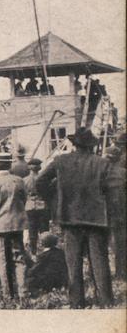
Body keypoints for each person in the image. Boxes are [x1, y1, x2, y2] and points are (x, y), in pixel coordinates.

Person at [36, 127, 112, 308]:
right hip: (96, 219)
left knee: (73, 263)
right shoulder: (102, 163)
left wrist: (54, 200)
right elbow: (110, 189)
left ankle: (77, 302)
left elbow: (40, 182)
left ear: (74, 144)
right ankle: (106, 301)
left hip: (69, 218)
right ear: (91, 146)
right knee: (100, 261)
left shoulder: (61, 161)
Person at [0, 152, 29, 301]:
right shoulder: (19, 181)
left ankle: (8, 294)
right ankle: (23, 292)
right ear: (10, 165)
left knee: (2, 260)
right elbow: (24, 199)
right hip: (17, 223)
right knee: (19, 258)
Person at [103, 146, 126, 280]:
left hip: (102, 213)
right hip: (120, 213)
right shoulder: (123, 173)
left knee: (102, 243)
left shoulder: (99, 172)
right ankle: (121, 272)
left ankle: (105, 273)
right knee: (120, 243)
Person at [25, 232, 67, 297]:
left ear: (42, 244)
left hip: (48, 280)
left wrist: (28, 272)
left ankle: (35, 294)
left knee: (30, 279)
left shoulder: (43, 255)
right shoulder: (61, 252)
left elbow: (35, 269)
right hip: (61, 279)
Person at [24, 158, 49, 253]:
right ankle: (46, 249)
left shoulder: (25, 180)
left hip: (29, 206)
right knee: (44, 229)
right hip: (42, 205)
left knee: (32, 229)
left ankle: (33, 250)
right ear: (39, 167)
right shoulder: (43, 179)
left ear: (29, 168)